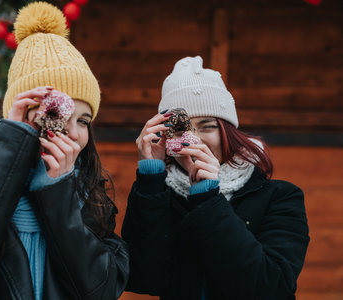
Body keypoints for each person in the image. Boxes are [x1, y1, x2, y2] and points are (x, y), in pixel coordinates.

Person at [0, 2, 129, 299]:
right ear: (21, 115)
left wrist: (57, 193)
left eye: (84, 120)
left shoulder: (90, 194)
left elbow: (101, 290)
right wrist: (12, 143)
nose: (75, 133)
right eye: (57, 114)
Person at [121, 56, 309, 300]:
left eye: (207, 126)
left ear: (227, 132)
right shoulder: (158, 195)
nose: (194, 138)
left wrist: (208, 197)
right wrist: (150, 178)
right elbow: (145, 279)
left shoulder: (280, 197)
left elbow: (270, 287)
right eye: (181, 128)